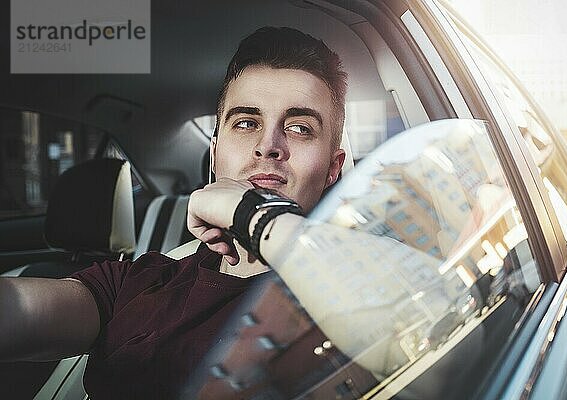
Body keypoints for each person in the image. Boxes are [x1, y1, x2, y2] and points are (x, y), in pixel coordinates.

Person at [0, 26, 347, 399]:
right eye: (246, 123)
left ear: (333, 167)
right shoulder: (141, 280)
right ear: (214, 154)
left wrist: (253, 213)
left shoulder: (346, 299)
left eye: (299, 128)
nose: (268, 146)